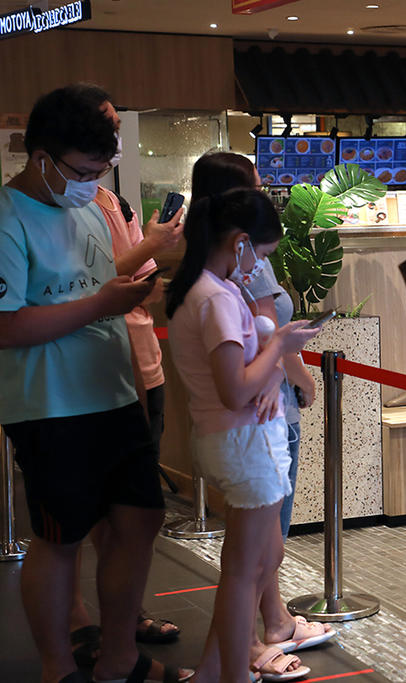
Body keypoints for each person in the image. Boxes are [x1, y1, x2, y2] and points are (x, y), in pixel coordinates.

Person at [0, 84, 188, 683]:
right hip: (49, 404)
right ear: (41, 159)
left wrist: (132, 281)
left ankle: (118, 658)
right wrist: (102, 303)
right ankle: (59, 668)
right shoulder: (8, 217)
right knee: (59, 537)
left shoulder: (88, 207)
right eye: (83, 170)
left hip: (112, 390)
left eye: (100, 169)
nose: (91, 181)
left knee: (140, 518)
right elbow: (6, 327)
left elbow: (98, 284)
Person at [166, 188, 322, 681]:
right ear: (240, 243)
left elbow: (246, 375)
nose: (258, 269)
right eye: (261, 255)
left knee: (262, 556)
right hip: (242, 440)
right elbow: (235, 390)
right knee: (244, 570)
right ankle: (232, 673)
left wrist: (273, 363)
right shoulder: (214, 296)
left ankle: (218, 669)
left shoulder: (214, 289)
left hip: (243, 439)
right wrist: (281, 344)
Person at [66, 88, 186, 670]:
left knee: (135, 512)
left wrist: (152, 255)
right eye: (106, 130)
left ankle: (122, 620)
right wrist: (150, 249)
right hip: (88, 374)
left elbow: (133, 279)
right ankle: (85, 629)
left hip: (138, 363)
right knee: (84, 519)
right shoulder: (57, 207)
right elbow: (76, 287)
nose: (113, 144)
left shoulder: (110, 198)